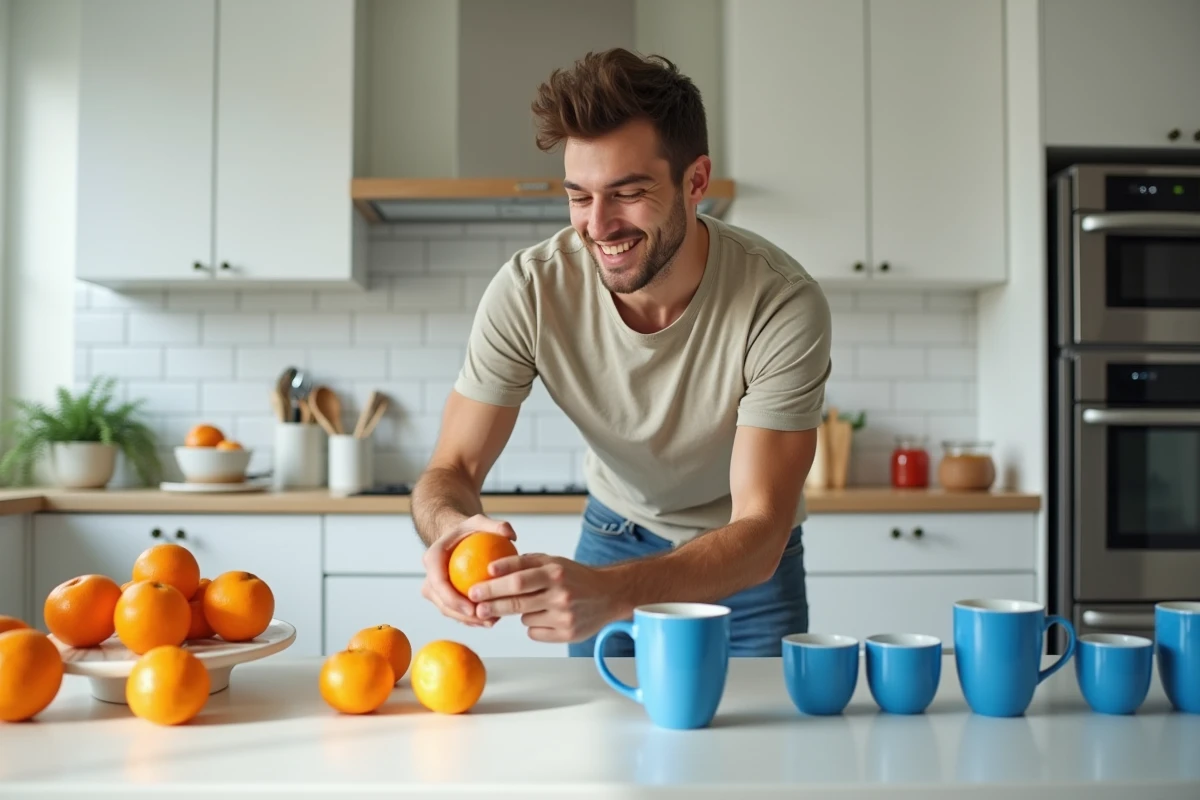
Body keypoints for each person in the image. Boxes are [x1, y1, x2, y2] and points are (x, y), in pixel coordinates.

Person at [410, 48, 832, 658]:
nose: (599, 225)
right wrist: (451, 531)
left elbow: (761, 529)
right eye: (579, 196)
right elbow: (450, 470)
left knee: (761, 719)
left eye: (628, 193)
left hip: (743, 564)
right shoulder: (530, 290)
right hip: (614, 533)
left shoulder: (780, 301)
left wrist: (614, 593)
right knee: (600, 719)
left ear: (696, 181)